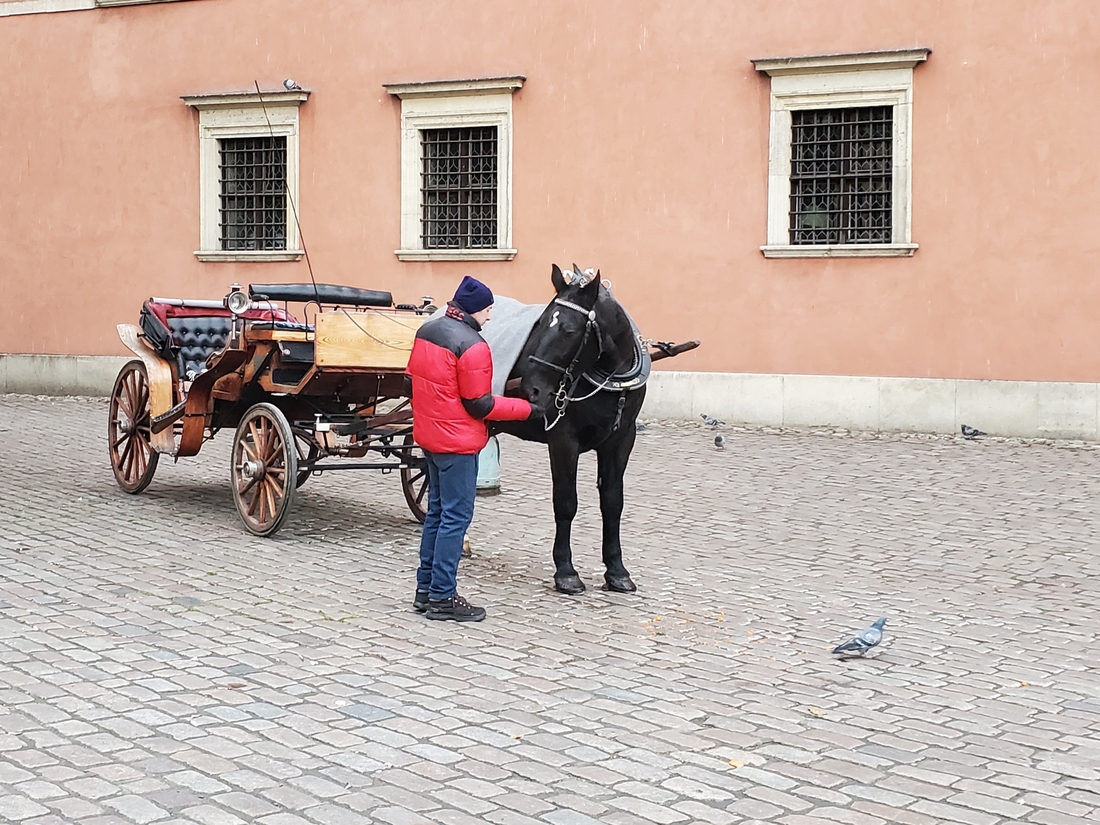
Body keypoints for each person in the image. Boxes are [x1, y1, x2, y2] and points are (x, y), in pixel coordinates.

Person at [404, 275, 534, 621]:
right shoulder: (473, 345)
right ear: (475, 309)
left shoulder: (427, 332)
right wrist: (527, 409)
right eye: (489, 310)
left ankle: (425, 590)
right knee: (455, 518)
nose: (490, 317)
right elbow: (480, 404)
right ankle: (443, 597)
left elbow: (409, 381)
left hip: (431, 439)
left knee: (436, 513)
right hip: (457, 445)